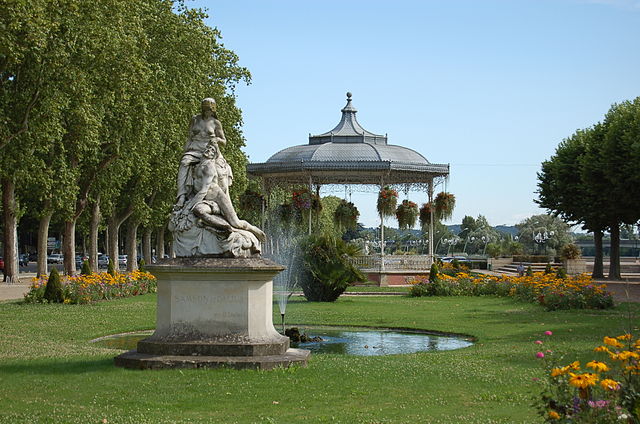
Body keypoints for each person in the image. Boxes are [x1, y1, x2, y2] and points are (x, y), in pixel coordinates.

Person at [175, 98, 226, 209]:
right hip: (194, 149)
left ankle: (223, 200)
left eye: (210, 110)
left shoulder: (216, 123)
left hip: (210, 151)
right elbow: (189, 137)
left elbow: (224, 141)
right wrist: (185, 150)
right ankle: (182, 195)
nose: (208, 112)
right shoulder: (195, 119)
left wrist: (217, 140)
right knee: (184, 163)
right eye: (206, 109)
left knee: (221, 173)